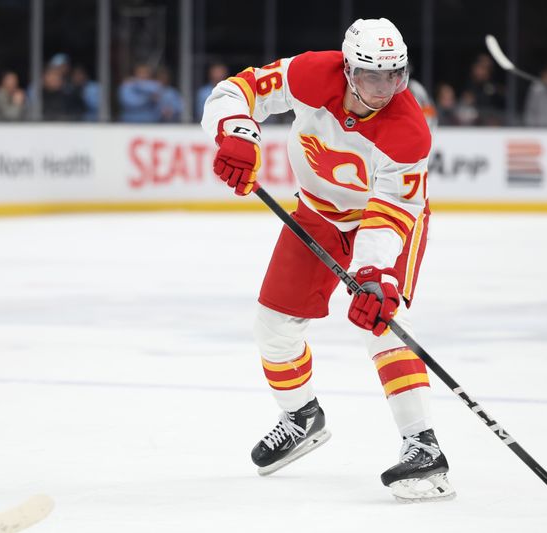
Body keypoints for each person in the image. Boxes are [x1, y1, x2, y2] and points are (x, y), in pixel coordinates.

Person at [201, 18, 453, 502]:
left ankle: (422, 443)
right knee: (273, 324)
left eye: (394, 76)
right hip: (315, 214)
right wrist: (236, 133)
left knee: (377, 323)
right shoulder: (312, 74)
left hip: (379, 222)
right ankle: (302, 416)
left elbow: (395, 208)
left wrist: (374, 274)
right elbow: (238, 90)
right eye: (372, 76)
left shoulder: (409, 130)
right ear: (347, 67)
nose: (384, 89)